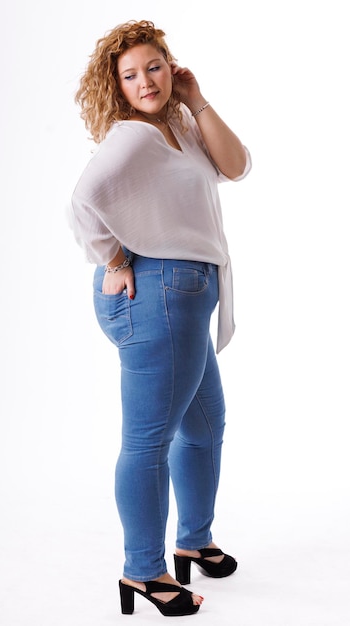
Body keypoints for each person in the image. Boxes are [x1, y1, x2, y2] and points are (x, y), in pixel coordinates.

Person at [69, 19, 252, 617]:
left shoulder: (178, 125)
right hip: (160, 293)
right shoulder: (130, 137)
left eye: (154, 66)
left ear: (171, 66)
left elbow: (237, 165)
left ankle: (193, 540)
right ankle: (142, 572)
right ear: (116, 87)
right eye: (130, 75)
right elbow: (83, 199)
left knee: (204, 426)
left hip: (189, 295)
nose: (145, 81)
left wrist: (196, 101)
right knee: (148, 442)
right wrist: (113, 257)